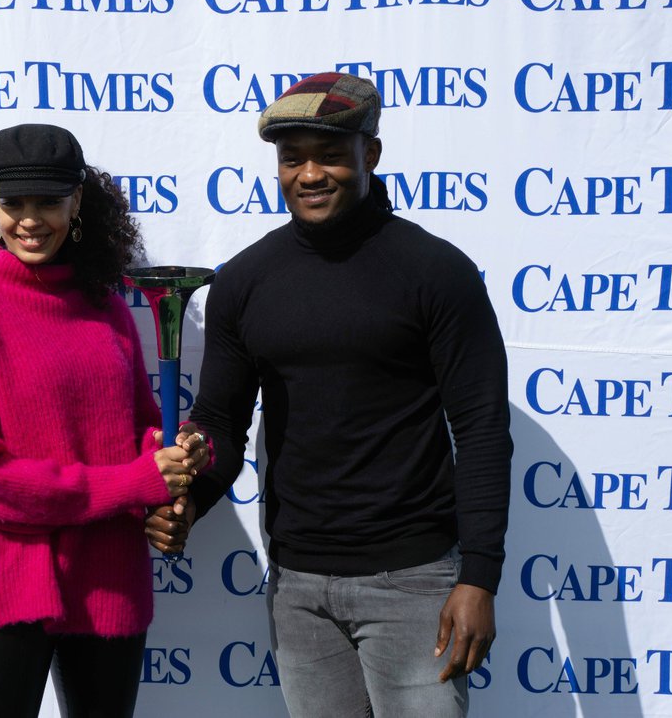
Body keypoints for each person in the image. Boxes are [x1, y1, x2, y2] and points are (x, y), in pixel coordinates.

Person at [145, 73, 513, 717]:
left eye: (331, 155)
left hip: (415, 580)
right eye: (292, 159)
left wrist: (479, 576)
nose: (310, 174)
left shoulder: (436, 272)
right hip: (296, 587)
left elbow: (481, 428)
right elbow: (222, 422)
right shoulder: (246, 281)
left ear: (372, 154)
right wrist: (190, 500)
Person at [0, 123, 208, 718]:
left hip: (108, 579)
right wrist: (139, 481)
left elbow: (139, 430)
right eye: (12, 203)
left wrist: (178, 451)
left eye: (48, 202)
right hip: (0, 588)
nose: (29, 220)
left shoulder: (107, 307)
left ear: (76, 201)